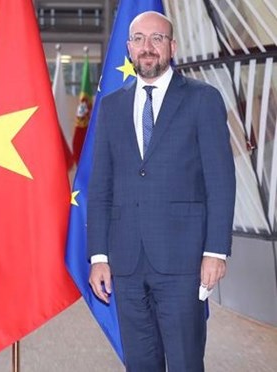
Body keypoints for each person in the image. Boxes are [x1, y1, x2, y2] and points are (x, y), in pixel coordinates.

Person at [87, 11, 235, 372]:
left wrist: (216, 252)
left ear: (172, 46)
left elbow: (221, 181)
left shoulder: (203, 99)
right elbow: (100, 184)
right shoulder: (111, 107)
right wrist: (98, 257)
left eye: (156, 39)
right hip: (127, 263)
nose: (147, 47)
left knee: (185, 362)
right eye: (138, 39)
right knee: (139, 363)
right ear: (128, 48)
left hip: (183, 262)